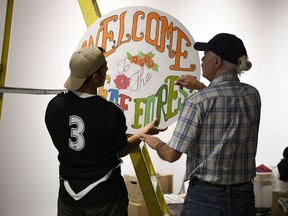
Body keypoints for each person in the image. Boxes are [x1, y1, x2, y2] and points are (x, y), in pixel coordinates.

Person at [141, 33, 261, 216]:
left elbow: (171, 155)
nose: (202, 59)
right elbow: (225, 102)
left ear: (217, 62)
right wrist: (201, 86)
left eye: (205, 54)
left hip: (206, 199)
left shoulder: (197, 102)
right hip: (244, 198)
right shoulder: (252, 96)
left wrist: (154, 142)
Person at [45, 46, 167, 216]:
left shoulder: (54, 106)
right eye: (105, 67)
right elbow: (122, 150)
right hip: (105, 197)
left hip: (68, 197)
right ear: (95, 77)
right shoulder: (110, 112)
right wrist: (143, 133)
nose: (107, 70)